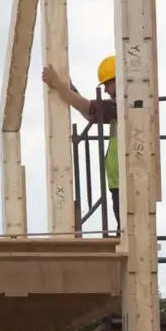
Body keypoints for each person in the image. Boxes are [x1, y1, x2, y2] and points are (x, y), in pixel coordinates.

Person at [40, 55, 122, 228]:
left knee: (127, 232)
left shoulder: (122, 105)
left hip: (126, 179)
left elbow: (87, 108)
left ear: (119, 79)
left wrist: (57, 84)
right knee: (123, 230)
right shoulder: (119, 108)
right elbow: (90, 114)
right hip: (118, 181)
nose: (106, 90)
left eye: (107, 84)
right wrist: (68, 88)